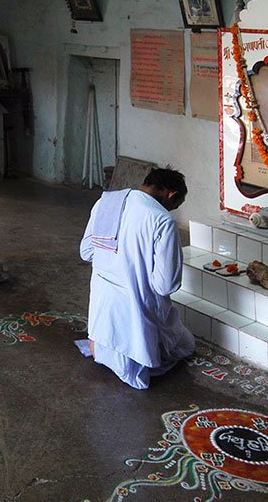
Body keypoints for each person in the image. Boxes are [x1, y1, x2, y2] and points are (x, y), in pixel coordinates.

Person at [79, 167, 194, 390]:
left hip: (102, 317)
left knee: (112, 346)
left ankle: (101, 349)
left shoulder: (106, 203)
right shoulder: (162, 220)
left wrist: (115, 259)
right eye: (175, 206)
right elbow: (165, 285)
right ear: (171, 195)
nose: (171, 210)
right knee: (187, 344)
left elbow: (87, 252)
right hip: (138, 320)